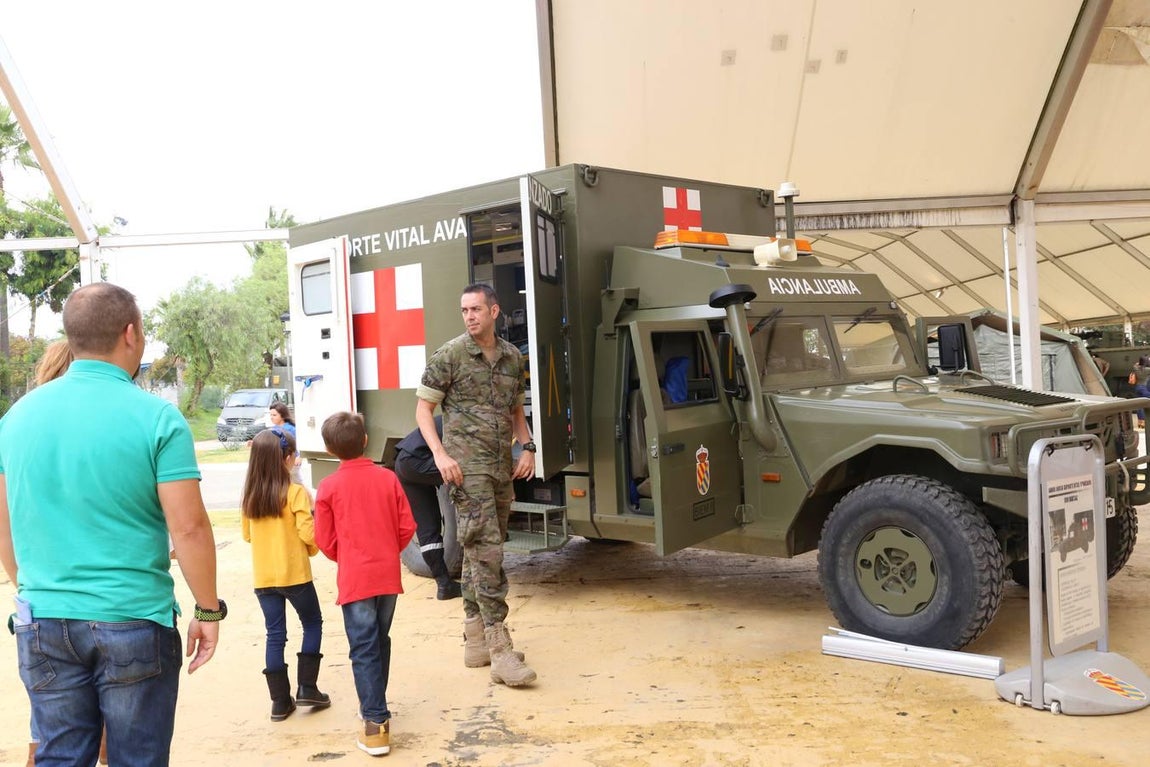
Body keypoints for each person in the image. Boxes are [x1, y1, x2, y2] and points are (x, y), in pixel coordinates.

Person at [0, 282, 223, 766]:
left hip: (44, 619)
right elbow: (188, 528)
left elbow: (5, 528)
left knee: (59, 756)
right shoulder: (158, 418)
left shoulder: (15, 420)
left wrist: (38, 593)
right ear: (131, 333)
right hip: (133, 619)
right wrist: (208, 611)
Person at [415, 283, 538, 687]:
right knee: (488, 553)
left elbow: (516, 410)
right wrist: (440, 454)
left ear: (494, 311)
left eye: (476, 309)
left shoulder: (512, 357)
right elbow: (423, 410)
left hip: (501, 467)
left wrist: (528, 447)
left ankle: (475, 639)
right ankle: (500, 648)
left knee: (476, 550)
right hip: (466, 471)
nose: (469, 316)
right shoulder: (450, 355)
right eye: (464, 310)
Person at [314, 411, 416, 757]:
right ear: (366, 441)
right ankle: (375, 704)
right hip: (387, 574)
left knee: (363, 646)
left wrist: (347, 556)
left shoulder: (328, 487)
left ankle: (375, 722)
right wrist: (386, 550)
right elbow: (407, 526)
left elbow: (324, 540)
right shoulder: (388, 478)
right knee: (379, 640)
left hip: (355, 577)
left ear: (329, 449)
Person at [242, 428, 330, 723]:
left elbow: (247, 535)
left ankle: (280, 702)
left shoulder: (250, 497)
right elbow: (308, 532)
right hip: (295, 575)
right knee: (312, 623)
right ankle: (308, 688)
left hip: (264, 578)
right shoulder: (295, 493)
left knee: (275, 634)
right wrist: (312, 550)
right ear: (287, 458)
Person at [394, 415, 462, 600]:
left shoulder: (452, 415)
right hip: (419, 460)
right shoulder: (468, 420)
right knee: (467, 472)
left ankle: (444, 584)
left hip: (404, 463)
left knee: (427, 528)